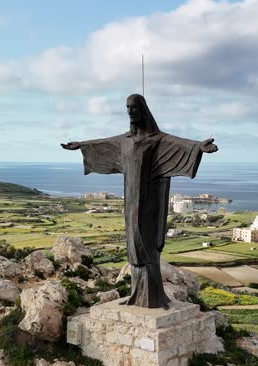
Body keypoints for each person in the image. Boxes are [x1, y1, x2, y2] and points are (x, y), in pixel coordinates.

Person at [61, 94, 217, 308]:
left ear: (143, 110)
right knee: (133, 245)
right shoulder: (124, 140)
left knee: (147, 243)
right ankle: (138, 294)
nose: (130, 112)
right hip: (131, 200)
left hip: (150, 201)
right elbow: (103, 142)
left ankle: (154, 296)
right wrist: (81, 145)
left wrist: (199, 146)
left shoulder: (156, 139)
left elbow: (176, 142)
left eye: (134, 107)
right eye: (127, 107)